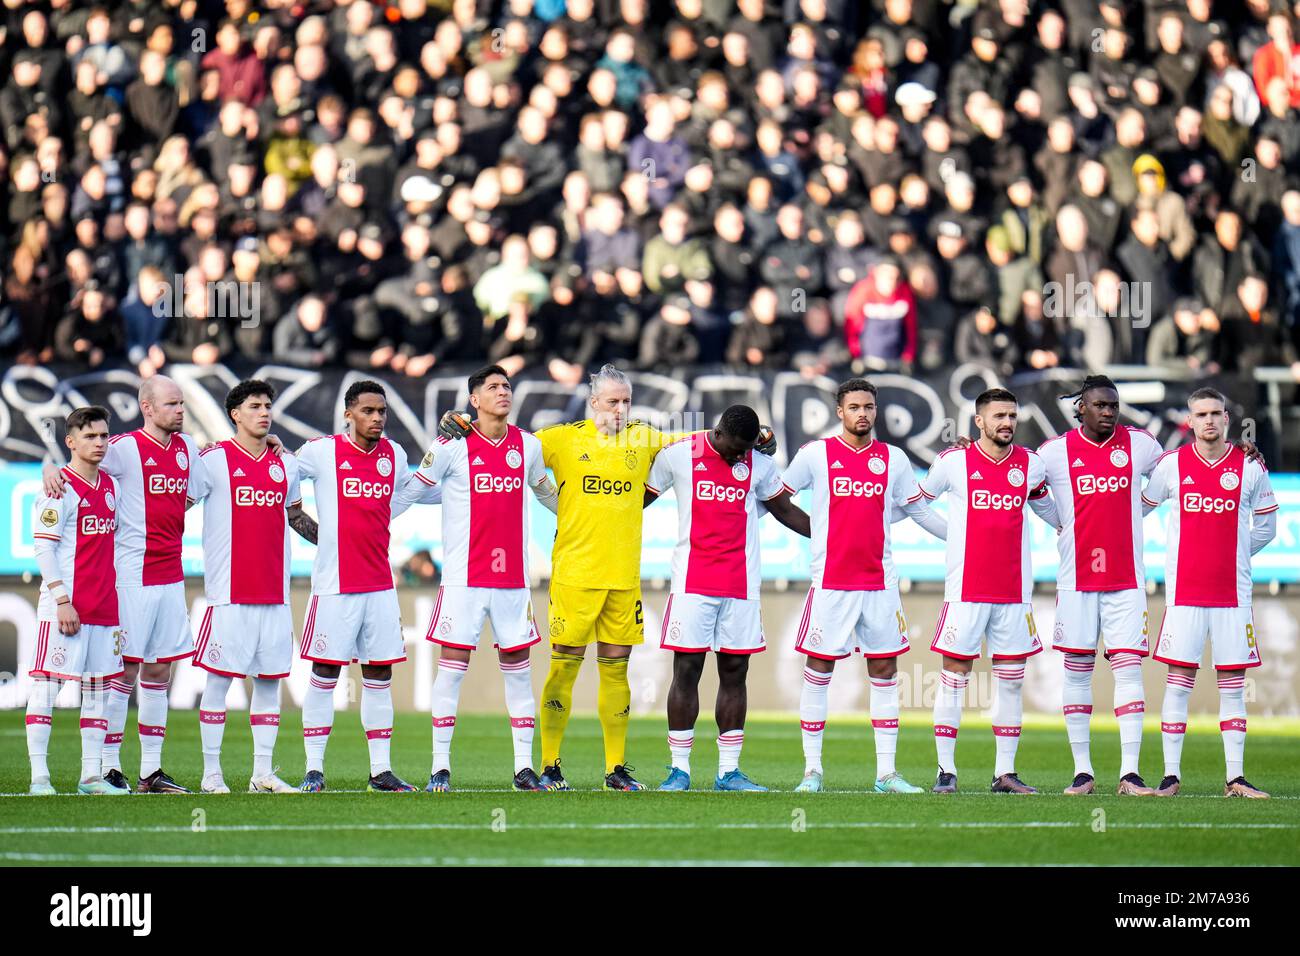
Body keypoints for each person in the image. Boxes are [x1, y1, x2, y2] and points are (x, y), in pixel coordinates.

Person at [437, 365, 769, 790]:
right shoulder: (558, 440)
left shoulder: (645, 438)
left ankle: (615, 769)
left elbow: (707, 440)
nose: (621, 409)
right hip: (575, 574)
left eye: (627, 401)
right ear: (594, 402)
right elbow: (504, 444)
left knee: (616, 672)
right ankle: (551, 764)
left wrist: (758, 432)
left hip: (623, 575)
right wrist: (458, 425)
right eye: (612, 401)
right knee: (564, 670)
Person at [780, 379, 947, 793]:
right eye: (854, 406)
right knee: (819, 670)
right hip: (831, 582)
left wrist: (963, 535)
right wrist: (816, 531)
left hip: (879, 583)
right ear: (840, 411)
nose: (862, 414)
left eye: (869, 407)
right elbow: (779, 498)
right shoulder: (815, 455)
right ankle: (812, 772)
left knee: (885, 671)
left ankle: (886, 774)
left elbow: (918, 511)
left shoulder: (893, 459)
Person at [401, 366, 560, 792]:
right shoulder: (452, 445)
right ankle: (439, 767)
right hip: (463, 579)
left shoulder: (527, 445)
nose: (503, 392)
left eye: (507, 386)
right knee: (452, 671)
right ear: (474, 399)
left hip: (512, 581)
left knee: (518, 671)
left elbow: (544, 490)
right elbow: (417, 489)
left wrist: (576, 518)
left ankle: (523, 769)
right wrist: (378, 517)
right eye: (492, 387)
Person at [42, 376, 203, 793]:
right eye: (172, 403)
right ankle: (109, 766)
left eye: (182, 402)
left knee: (159, 669)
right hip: (130, 576)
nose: (181, 410)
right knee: (123, 671)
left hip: (171, 575)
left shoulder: (187, 449)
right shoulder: (125, 448)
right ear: (147, 408)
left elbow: (198, 489)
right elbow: (79, 463)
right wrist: (49, 468)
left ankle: (151, 771)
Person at [646, 405, 811, 792]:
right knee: (687, 671)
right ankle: (679, 770)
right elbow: (641, 498)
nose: (741, 457)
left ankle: (728, 772)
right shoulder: (679, 454)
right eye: (736, 449)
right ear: (718, 433)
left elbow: (784, 510)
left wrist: (831, 535)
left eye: (747, 450)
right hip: (692, 583)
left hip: (741, 584)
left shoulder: (759, 464)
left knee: (735, 673)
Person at [1142, 388, 1278, 798]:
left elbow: (1268, 527)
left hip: (1233, 595)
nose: (1209, 421)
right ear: (1190, 420)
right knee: (1178, 680)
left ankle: (1235, 778)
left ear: (1226, 418)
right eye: (1201, 414)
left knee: (1233, 683)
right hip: (1184, 594)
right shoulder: (1172, 466)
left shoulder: (1250, 468)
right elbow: (1137, 508)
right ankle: (1170, 776)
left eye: (1216, 413)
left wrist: (1235, 555)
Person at [1034, 376, 1165, 796]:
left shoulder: (1141, 444)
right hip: (1076, 582)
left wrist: (1242, 453)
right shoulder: (1054, 453)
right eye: (1100, 405)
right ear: (1081, 410)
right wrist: (1061, 522)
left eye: (1114, 405)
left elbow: (1176, 475)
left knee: (1128, 671)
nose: (1109, 412)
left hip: (1127, 580)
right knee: (1077, 673)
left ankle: (1130, 774)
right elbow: (1027, 485)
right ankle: (1083, 773)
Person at [291, 380, 422, 793]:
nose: (378, 418)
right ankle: (314, 769)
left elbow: (405, 496)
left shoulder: (395, 455)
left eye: (382, 411)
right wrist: (314, 529)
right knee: (325, 672)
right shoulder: (321, 451)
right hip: (335, 586)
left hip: (380, 586)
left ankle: (380, 771)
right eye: (368, 411)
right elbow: (280, 478)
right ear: (349, 413)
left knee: (379, 674)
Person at [921, 388, 1050, 795]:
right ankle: (946, 770)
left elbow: (1048, 508)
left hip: (1013, 592)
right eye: (998, 416)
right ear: (979, 421)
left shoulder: (1031, 465)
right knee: (954, 677)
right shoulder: (953, 461)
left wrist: (1070, 525)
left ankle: (1004, 773)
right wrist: (952, 534)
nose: (1007, 423)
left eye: (1012, 415)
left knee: (1011, 681)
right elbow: (919, 504)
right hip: (966, 591)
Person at [186, 380, 307, 794]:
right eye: (255, 405)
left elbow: (296, 517)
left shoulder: (285, 464)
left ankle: (262, 775)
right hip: (229, 595)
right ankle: (211, 775)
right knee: (219, 683)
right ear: (235, 413)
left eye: (268, 405)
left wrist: (338, 540)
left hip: (274, 593)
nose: (264, 412)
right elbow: (176, 503)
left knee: (269, 683)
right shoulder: (213, 460)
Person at [27, 406, 128, 796]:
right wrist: (62, 598)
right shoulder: (58, 489)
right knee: (46, 689)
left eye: (104, 436)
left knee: (98, 694)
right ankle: (39, 778)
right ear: (71, 442)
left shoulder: (112, 487)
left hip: (105, 607)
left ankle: (91, 777)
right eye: (90, 436)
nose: (100, 443)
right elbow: (44, 549)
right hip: (65, 607)